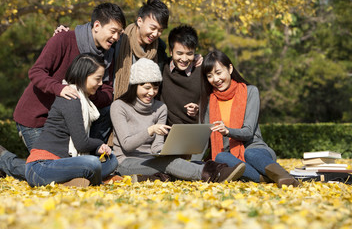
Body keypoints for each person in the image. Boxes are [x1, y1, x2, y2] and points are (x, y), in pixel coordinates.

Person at [110, 58, 246, 183]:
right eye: (147, 88)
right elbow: (127, 145)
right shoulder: (119, 106)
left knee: (176, 162)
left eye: (155, 88)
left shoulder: (160, 108)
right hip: (126, 162)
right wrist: (150, 130)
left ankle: (154, 178)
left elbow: (156, 147)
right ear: (135, 86)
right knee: (169, 164)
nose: (151, 93)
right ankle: (214, 175)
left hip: (152, 160)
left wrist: (174, 149)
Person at [13, 2, 126, 151]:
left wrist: (88, 92)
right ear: (97, 26)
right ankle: (3, 159)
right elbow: (36, 72)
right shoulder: (64, 39)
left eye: (119, 33)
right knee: (46, 167)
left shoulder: (108, 54)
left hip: (70, 120)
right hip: (38, 118)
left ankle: (94, 158)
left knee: (107, 109)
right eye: (113, 31)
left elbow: (106, 90)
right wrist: (60, 89)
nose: (116, 37)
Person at [196, 49, 299, 188]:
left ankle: (284, 177)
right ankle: (267, 178)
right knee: (220, 157)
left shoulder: (250, 91)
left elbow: (249, 131)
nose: (215, 79)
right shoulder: (208, 101)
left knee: (250, 153)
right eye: (209, 76)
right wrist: (191, 162)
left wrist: (227, 131)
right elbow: (202, 138)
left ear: (230, 68)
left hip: (256, 151)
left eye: (219, 73)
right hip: (231, 158)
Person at [17, 53, 116, 187]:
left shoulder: (84, 101)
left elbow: (83, 142)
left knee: (112, 160)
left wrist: (99, 147)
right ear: (83, 76)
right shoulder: (71, 99)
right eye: (97, 79)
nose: (100, 84)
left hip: (64, 163)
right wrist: (99, 142)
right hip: (41, 166)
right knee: (92, 163)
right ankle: (92, 181)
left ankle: (73, 181)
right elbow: (81, 144)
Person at [113, 0, 170, 99]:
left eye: (160, 30)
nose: (156, 34)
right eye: (152, 28)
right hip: (117, 103)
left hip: (145, 105)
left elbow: (167, 67)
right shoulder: (118, 40)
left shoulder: (159, 48)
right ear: (140, 21)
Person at [160, 25, 201, 125]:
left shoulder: (202, 70)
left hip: (196, 130)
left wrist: (199, 108)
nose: (184, 59)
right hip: (168, 132)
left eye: (189, 53)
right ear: (170, 51)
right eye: (179, 53)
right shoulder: (161, 68)